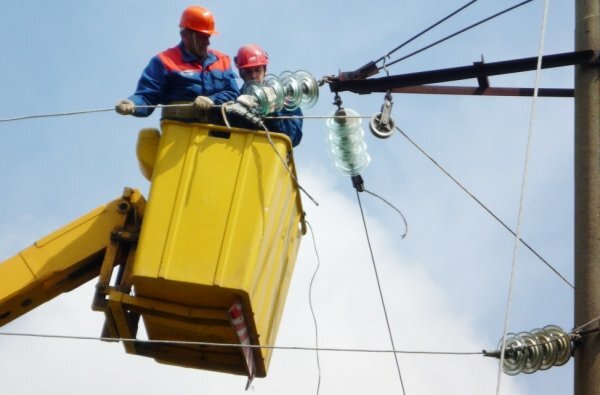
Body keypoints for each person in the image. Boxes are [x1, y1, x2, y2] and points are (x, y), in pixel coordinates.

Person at [115, 5, 239, 120]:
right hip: (179, 133)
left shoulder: (222, 60)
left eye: (208, 37)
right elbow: (148, 97)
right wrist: (133, 103)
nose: (207, 43)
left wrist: (212, 100)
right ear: (185, 35)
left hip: (217, 133)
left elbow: (233, 93)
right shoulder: (164, 62)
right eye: (202, 37)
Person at [234, 44, 303, 147]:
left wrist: (272, 113)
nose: (253, 76)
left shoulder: (285, 100)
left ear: (265, 70)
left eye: (257, 70)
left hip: (269, 156)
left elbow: (293, 137)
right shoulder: (235, 99)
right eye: (248, 71)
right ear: (241, 73)